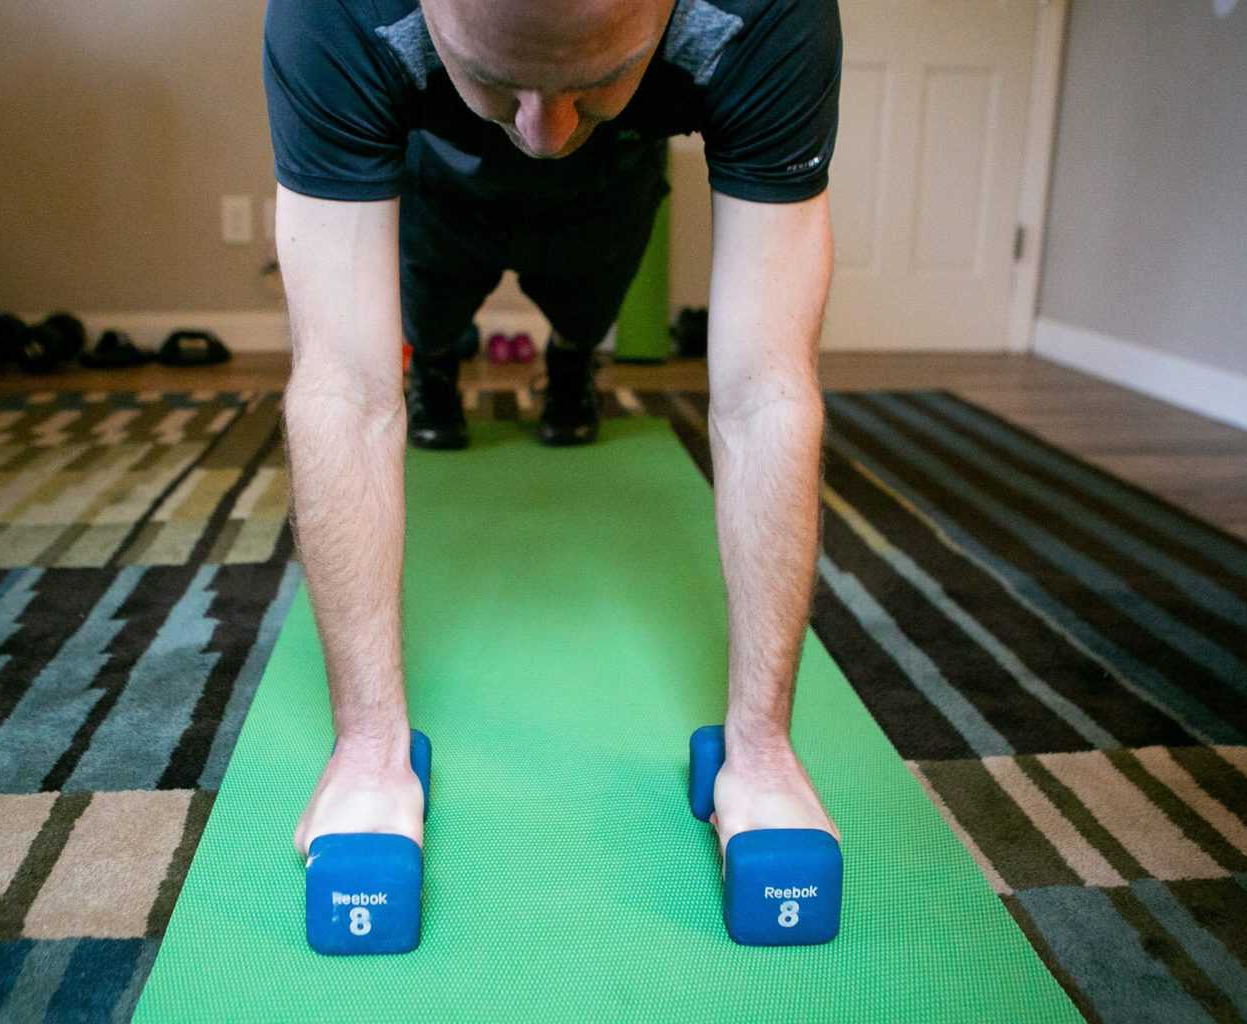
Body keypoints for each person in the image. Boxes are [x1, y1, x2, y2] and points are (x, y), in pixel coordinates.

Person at [267, 0, 842, 872]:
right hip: (439, 177)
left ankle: (571, 363)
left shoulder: (768, 15)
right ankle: (440, 363)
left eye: (595, 77)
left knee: (587, 300)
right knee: (421, 310)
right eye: (499, 81)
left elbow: (764, 392)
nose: (542, 134)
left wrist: (760, 751)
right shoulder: (335, 14)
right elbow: (345, 390)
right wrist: (367, 747)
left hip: (608, 191)